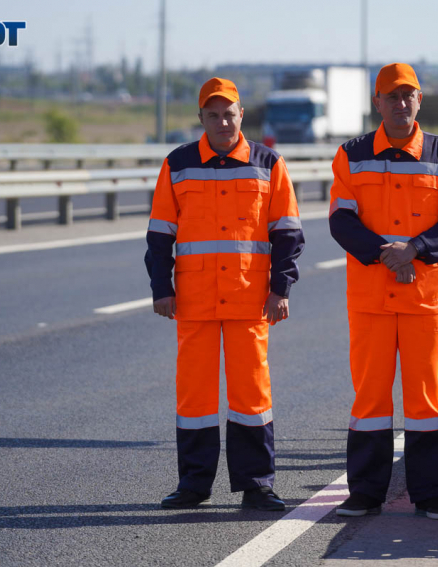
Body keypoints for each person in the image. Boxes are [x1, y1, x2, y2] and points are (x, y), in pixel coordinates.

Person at [145, 77, 305, 511]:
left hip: (249, 299)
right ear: (201, 118)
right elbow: (160, 234)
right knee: (194, 396)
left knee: (252, 395)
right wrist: (162, 288)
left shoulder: (267, 163)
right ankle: (193, 485)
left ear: (240, 115)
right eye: (212, 115)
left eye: (228, 114)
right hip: (194, 299)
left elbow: (288, 233)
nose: (221, 122)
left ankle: (257, 485)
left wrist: (280, 289)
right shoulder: (177, 164)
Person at [327, 63, 438, 520]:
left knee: (424, 400)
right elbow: (340, 219)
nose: (401, 103)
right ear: (378, 103)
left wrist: (415, 250)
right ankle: (365, 494)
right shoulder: (351, 154)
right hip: (371, 298)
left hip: (425, 300)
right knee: (369, 399)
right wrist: (387, 253)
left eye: (408, 96)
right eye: (392, 96)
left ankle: (429, 495)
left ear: (420, 101)